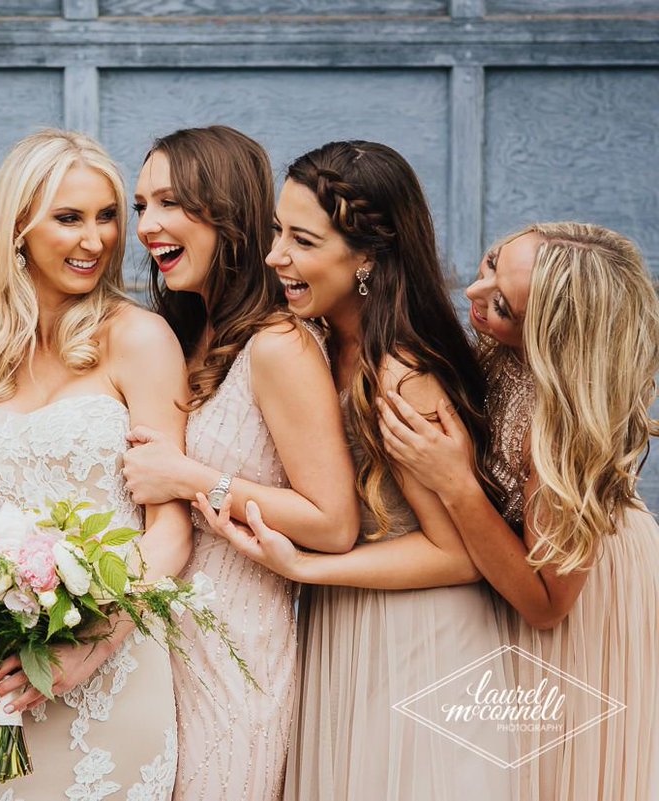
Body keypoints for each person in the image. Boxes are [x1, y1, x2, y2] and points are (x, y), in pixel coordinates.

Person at [197, 141, 516, 800]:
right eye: (277, 230)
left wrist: (308, 568)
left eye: (302, 240)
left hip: (417, 638)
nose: (274, 255)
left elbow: (457, 554)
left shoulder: (399, 374)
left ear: (367, 256)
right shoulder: (325, 341)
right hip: (347, 625)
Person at [0, 129, 192, 800]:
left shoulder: (138, 338)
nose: (97, 238)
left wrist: (94, 645)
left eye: (107, 216)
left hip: (115, 661)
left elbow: (169, 529)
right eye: (70, 218)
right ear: (18, 227)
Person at [378, 222, 659, 800]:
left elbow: (546, 604)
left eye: (501, 305)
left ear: (553, 341)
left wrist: (454, 483)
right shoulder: (504, 351)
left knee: (563, 770)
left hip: (584, 589)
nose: (473, 296)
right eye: (490, 264)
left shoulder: (558, 426)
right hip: (526, 563)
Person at [121, 125, 358, 801]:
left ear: (227, 209)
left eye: (169, 203)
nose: (147, 226)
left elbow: (333, 521)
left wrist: (192, 478)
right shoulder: (190, 337)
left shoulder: (279, 345)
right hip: (162, 657)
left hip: (239, 657)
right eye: (140, 207)